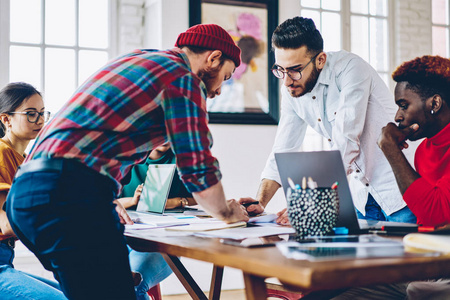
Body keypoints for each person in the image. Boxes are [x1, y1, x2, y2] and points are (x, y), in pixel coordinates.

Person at [6, 24, 249, 300]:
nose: (218, 91)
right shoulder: (184, 78)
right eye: (225, 77)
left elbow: (89, 132)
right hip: (68, 195)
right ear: (213, 58)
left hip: (26, 196)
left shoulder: (137, 59)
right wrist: (227, 213)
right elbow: (197, 167)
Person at [239, 16, 416, 225]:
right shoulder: (291, 89)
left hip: (400, 194)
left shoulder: (351, 69)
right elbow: (283, 148)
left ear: (320, 60)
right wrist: (260, 201)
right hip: (363, 198)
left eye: (295, 70)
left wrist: (309, 202)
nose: (286, 81)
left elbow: (346, 141)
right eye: (280, 69)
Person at [318, 55, 450, 300]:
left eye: (403, 105)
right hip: (424, 268)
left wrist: (390, 149)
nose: (397, 116)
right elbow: (427, 224)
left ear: (435, 103)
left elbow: (435, 212)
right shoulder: (424, 151)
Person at [0, 82, 66, 299]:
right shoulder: (1, 153)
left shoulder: (27, 161)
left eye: (41, 113)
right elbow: (7, 225)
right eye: (30, 114)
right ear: (6, 119)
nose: (39, 120)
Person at [118, 143, 194, 299]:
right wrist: (133, 201)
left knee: (129, 283)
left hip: (162, 240)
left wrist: (173, 202)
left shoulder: (184, 156)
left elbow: (200, 196)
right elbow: (108, 200)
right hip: (122, 237)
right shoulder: (125, 156)